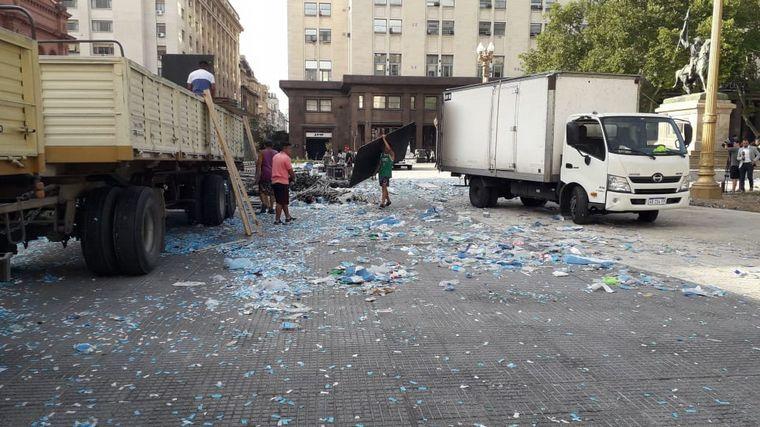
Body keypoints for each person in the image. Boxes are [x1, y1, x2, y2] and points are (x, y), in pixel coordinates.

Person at [271, 142, 296, 224]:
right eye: (290, 149)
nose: (291, 151)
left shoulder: (275, 156)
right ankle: (277, 220)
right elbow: (290, 171)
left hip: (275, 181)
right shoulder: (286, 158)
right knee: (280, 202)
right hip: (282, 181)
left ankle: (287, 217)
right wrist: (294, 178)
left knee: (283, 200)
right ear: (285, 148)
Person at [256, 140, 277, 214]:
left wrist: (257, 176)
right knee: (272, 192)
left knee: (262, 190)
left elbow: (259, 164)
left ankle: (265, 204)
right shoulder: (276, 153)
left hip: (264, 174)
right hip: (274, 174)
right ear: (272, 145)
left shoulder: (262, 152)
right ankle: (271, 208)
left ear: (265, 145)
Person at [378, 134, 396, 208]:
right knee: (384, 188)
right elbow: (379, 165)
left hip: (386, 174)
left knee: (384, 187)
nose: (385, 148)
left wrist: (384, 139)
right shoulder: (382, 155)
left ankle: (382, 203)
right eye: (384, 147)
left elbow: (389, 148)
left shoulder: (391, 154)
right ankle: (388, 201)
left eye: (386, 147)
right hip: (381, 174)